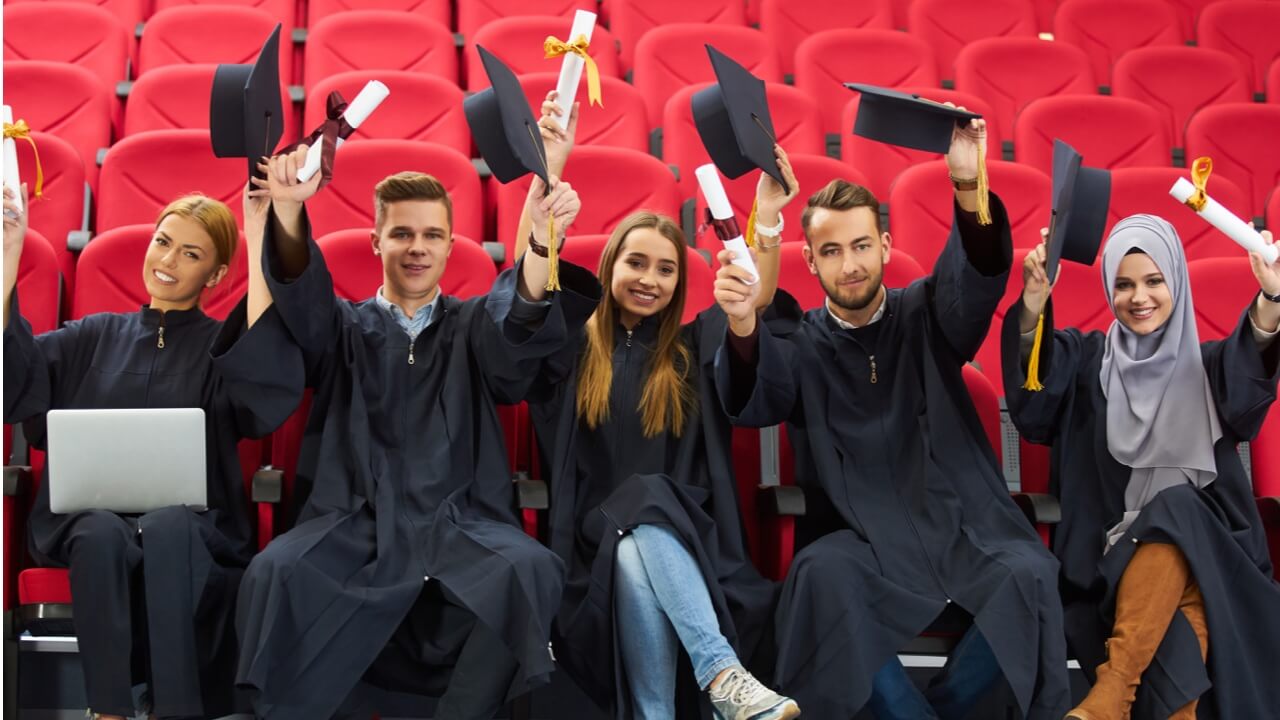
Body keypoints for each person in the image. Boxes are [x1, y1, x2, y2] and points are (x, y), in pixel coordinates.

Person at [716, 113, 1071, 719]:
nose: (849, 264)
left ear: (884, 245)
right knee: (818, 578)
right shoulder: (800, 343)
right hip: (861, 536)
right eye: (831, 251)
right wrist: (744, 322)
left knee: (1031, 574)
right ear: (812, 264)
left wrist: (966, 184)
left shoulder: (927, 315)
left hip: (963, 524)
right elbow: (758, 398)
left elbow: (978, 280)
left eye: (860, 245)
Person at [232, 144, 602, 720]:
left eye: (432, 235)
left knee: (531, 569)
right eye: (402, 234)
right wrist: (285, 210)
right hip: (355, 518)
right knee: (274, 571)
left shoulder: (473, 326)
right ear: (376, 242)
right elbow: (300, 299)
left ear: (451, 246)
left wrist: (539, 236)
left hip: (459, 519)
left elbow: (519, 328)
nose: (417, 248)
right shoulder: (344, 328)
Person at [519, 93, 800, 720]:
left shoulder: (694, 348)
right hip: (583, 548)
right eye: (636, 262)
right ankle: (723, 674)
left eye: (667, 269)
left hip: (691, 543)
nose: (650, 278)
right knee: (632, 519)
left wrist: (769, 224)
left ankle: (681, 701)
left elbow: (755, 308)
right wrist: (545, 186)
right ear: (610, 263)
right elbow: (525, 289)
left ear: (681, 283)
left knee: (640, 529)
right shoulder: (570, 345)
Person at [3, 182, 303, 720]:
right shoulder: (90, 337)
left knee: (168, 527)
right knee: (98, 532)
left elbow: (263, 399)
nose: (167, 260)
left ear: (213, 276)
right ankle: (109, 711)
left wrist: (260, 242)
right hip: (86, 523)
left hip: (189, 526)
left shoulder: (219, 350)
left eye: (191, 254)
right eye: (163, 242)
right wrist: (7, 260)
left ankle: (175, 711)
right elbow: (14, 383)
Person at [1003, 215, 1280, 720]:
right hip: (1110, 566)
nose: (1139, 297)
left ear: (1176, 280)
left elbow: (1248, 390)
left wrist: (1271, 300)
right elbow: (1034, 409)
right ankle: (1131, 698)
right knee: (1177, 614)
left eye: (1154, 281)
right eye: (1124, 284)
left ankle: (1113, 692)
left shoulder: (1210, 367)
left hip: (1220, 555)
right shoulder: (1086, 365)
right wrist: (1035, 302)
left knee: (1174, 507)